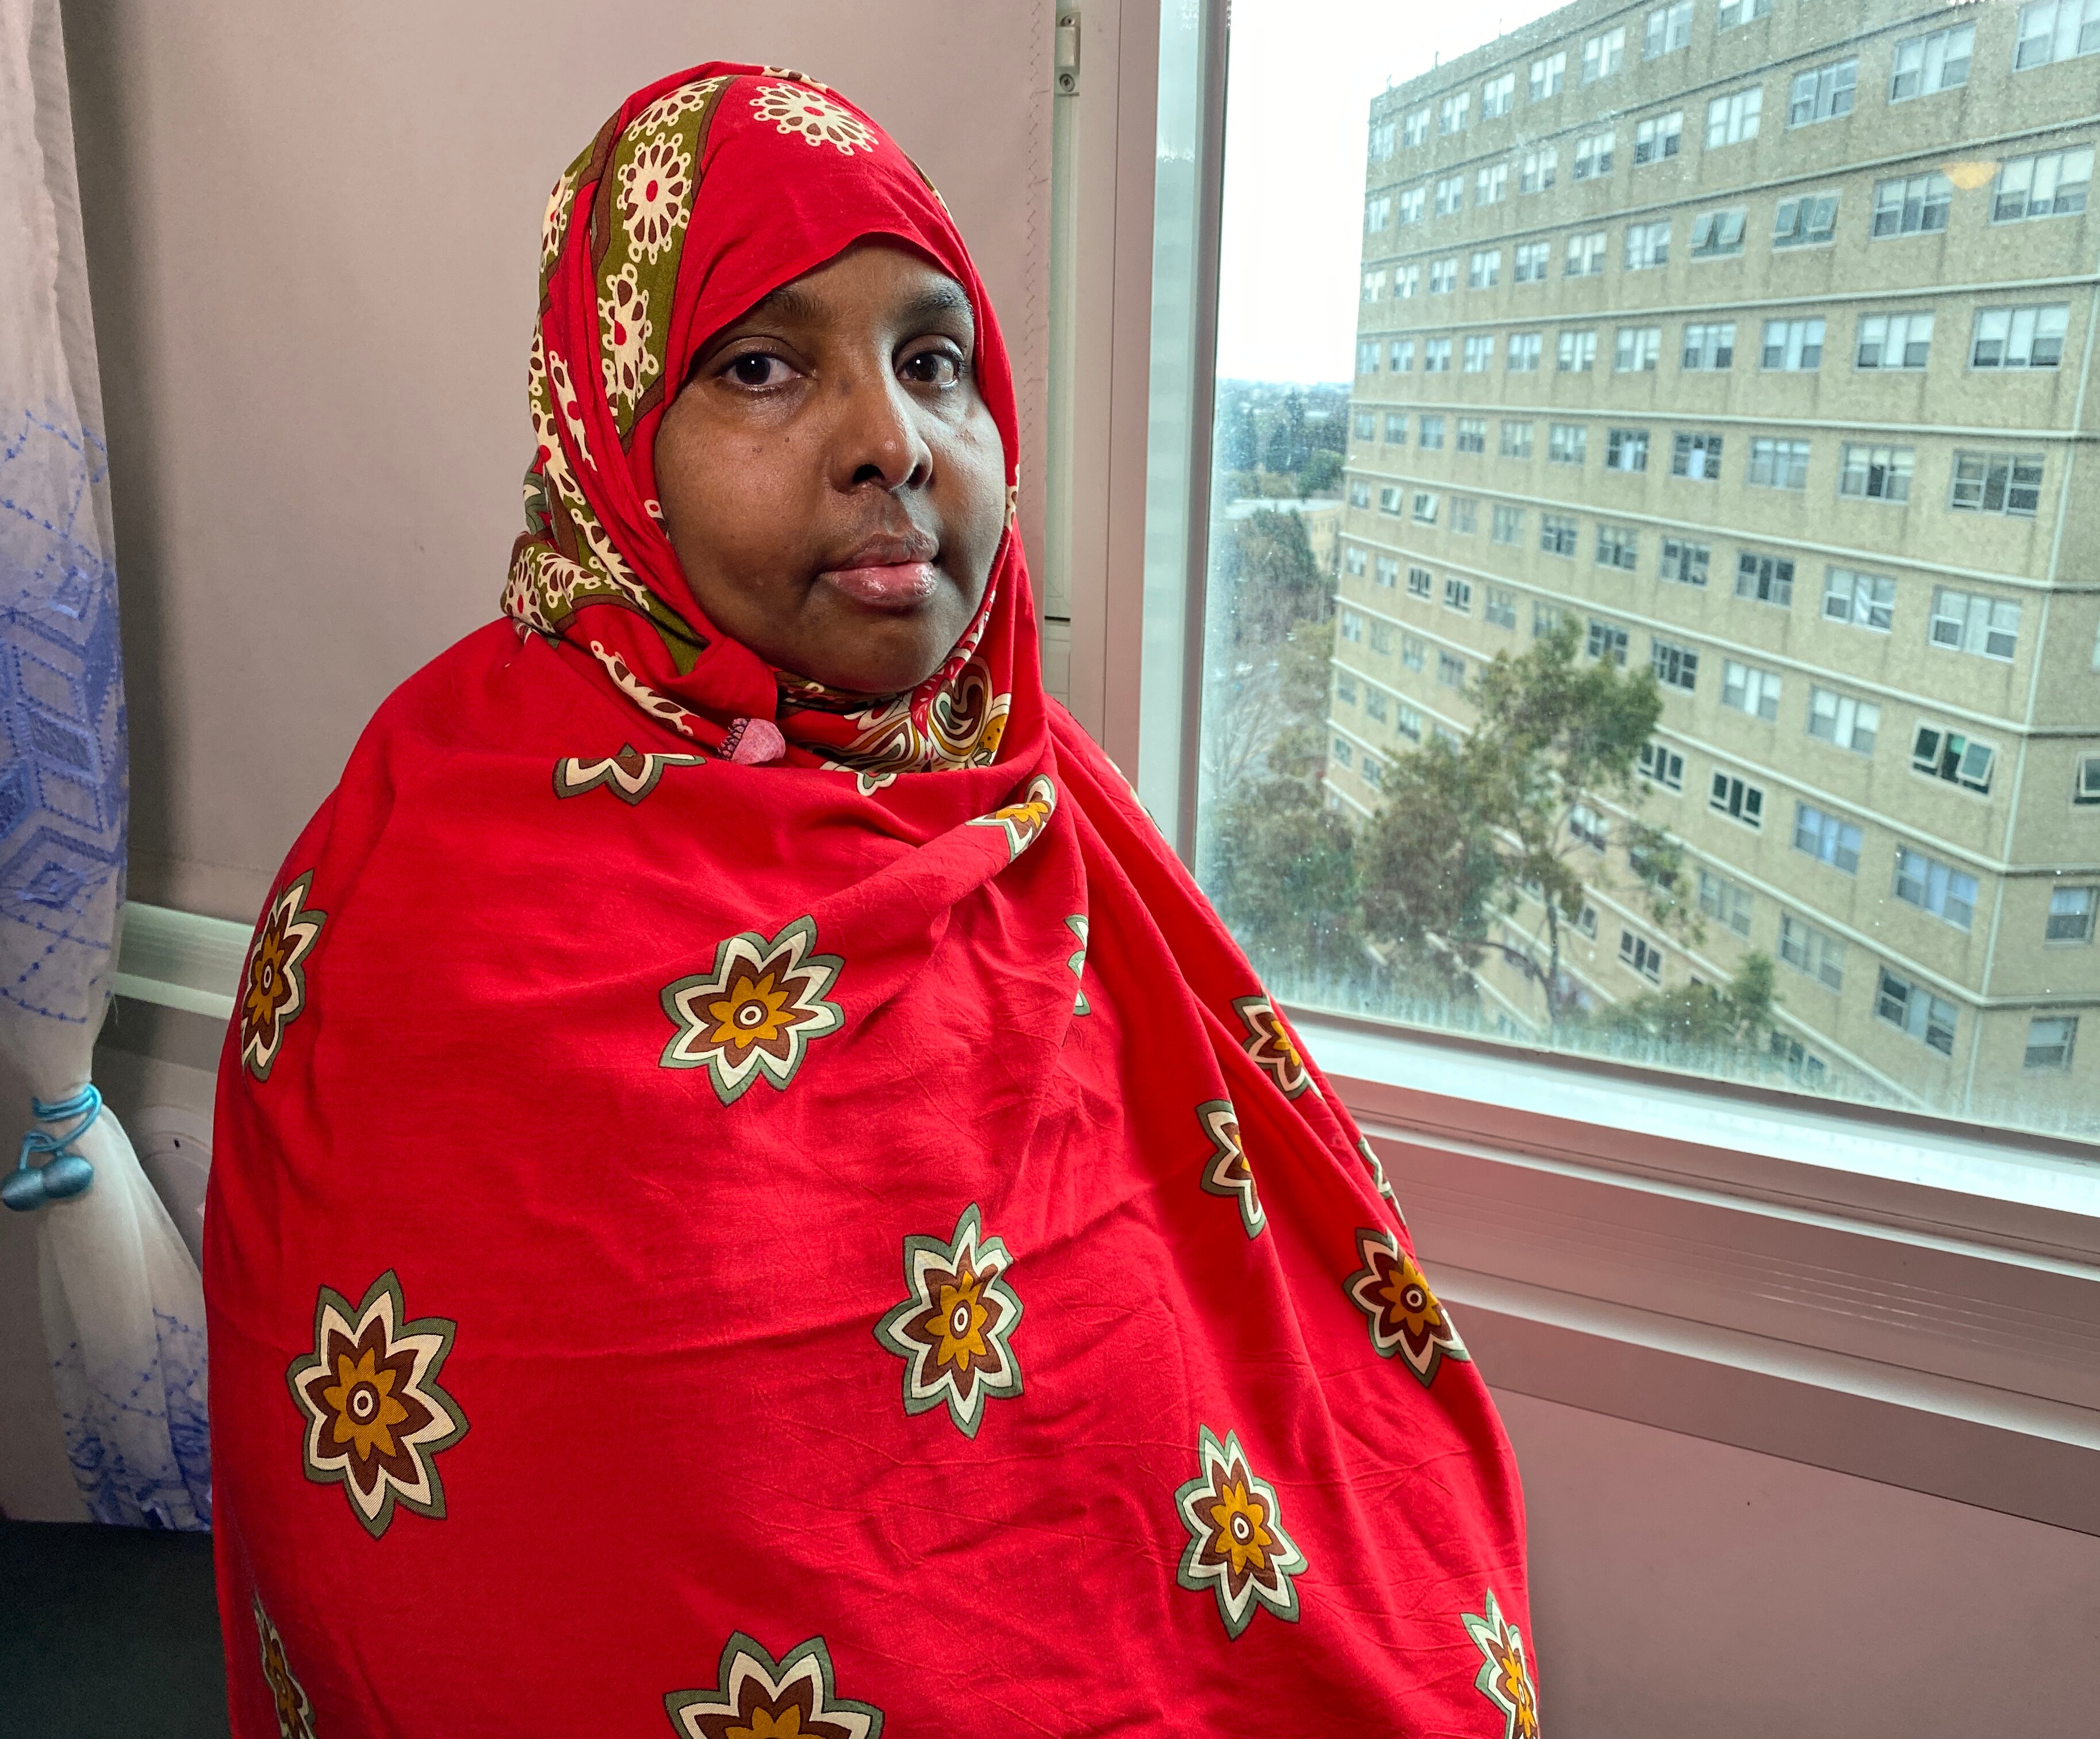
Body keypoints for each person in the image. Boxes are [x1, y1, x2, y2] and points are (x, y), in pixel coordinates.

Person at [205, 63, 1534, 1736]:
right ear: (609, 430)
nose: (893, 444)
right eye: (763, 368)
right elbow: (428, 1557)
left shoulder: (1046, 806)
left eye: (935, 364)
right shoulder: (431, 869)